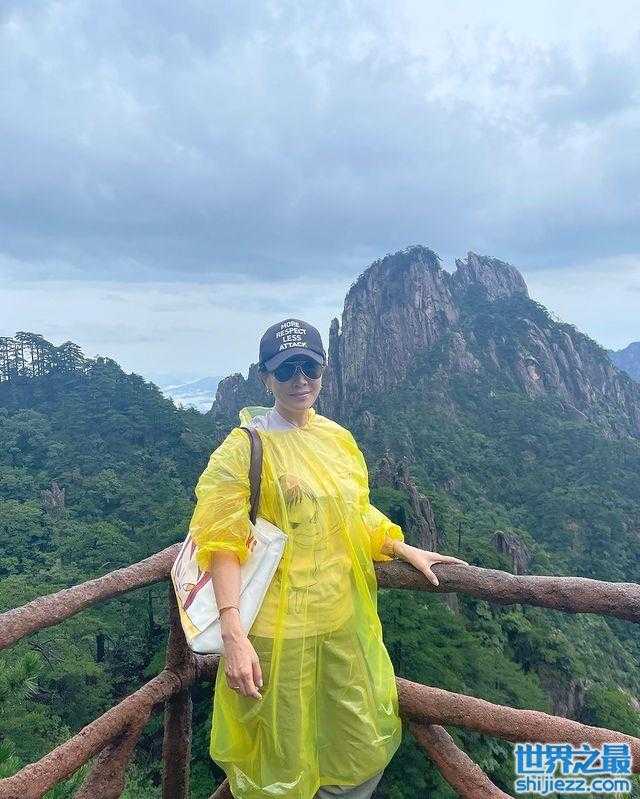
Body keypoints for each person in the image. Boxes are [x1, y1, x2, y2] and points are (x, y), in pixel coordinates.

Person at [188, 318, 468, 799]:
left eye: (310, 368)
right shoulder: (244, 448)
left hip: (338, 621)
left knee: (354, 739)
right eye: (286, 369)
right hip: (276, 633)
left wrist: (399, 545)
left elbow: (354, 512)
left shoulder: (337, 439)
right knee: (280, 750)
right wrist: (233, 635)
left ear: (324, 370)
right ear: (266, 377)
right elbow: (221, 542)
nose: (300, 380)